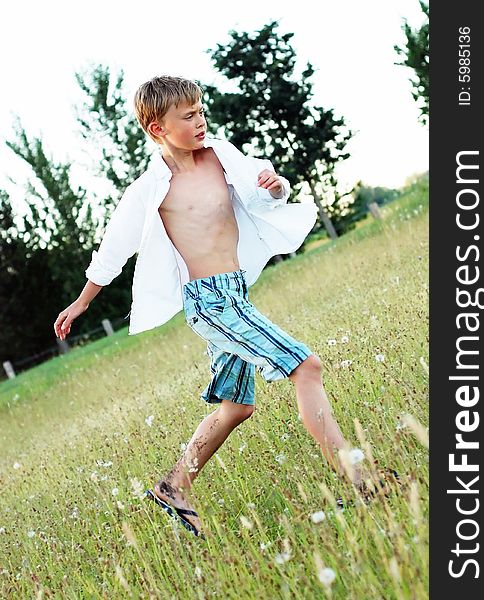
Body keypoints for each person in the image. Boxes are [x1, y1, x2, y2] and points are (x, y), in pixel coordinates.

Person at [54, 75, 392, 540]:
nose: (200, 121)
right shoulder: (149, 190)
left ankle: (174, 485)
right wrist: (80, 303)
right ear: (157, 129)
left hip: (235, 290)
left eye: (200, 110)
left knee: (236, 406)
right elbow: (113, 250)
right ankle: (358, 480)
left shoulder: (220, 154)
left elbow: (261, 191)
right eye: (188, 116)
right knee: (306, 367)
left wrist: (275, 188)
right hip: (208, 301)